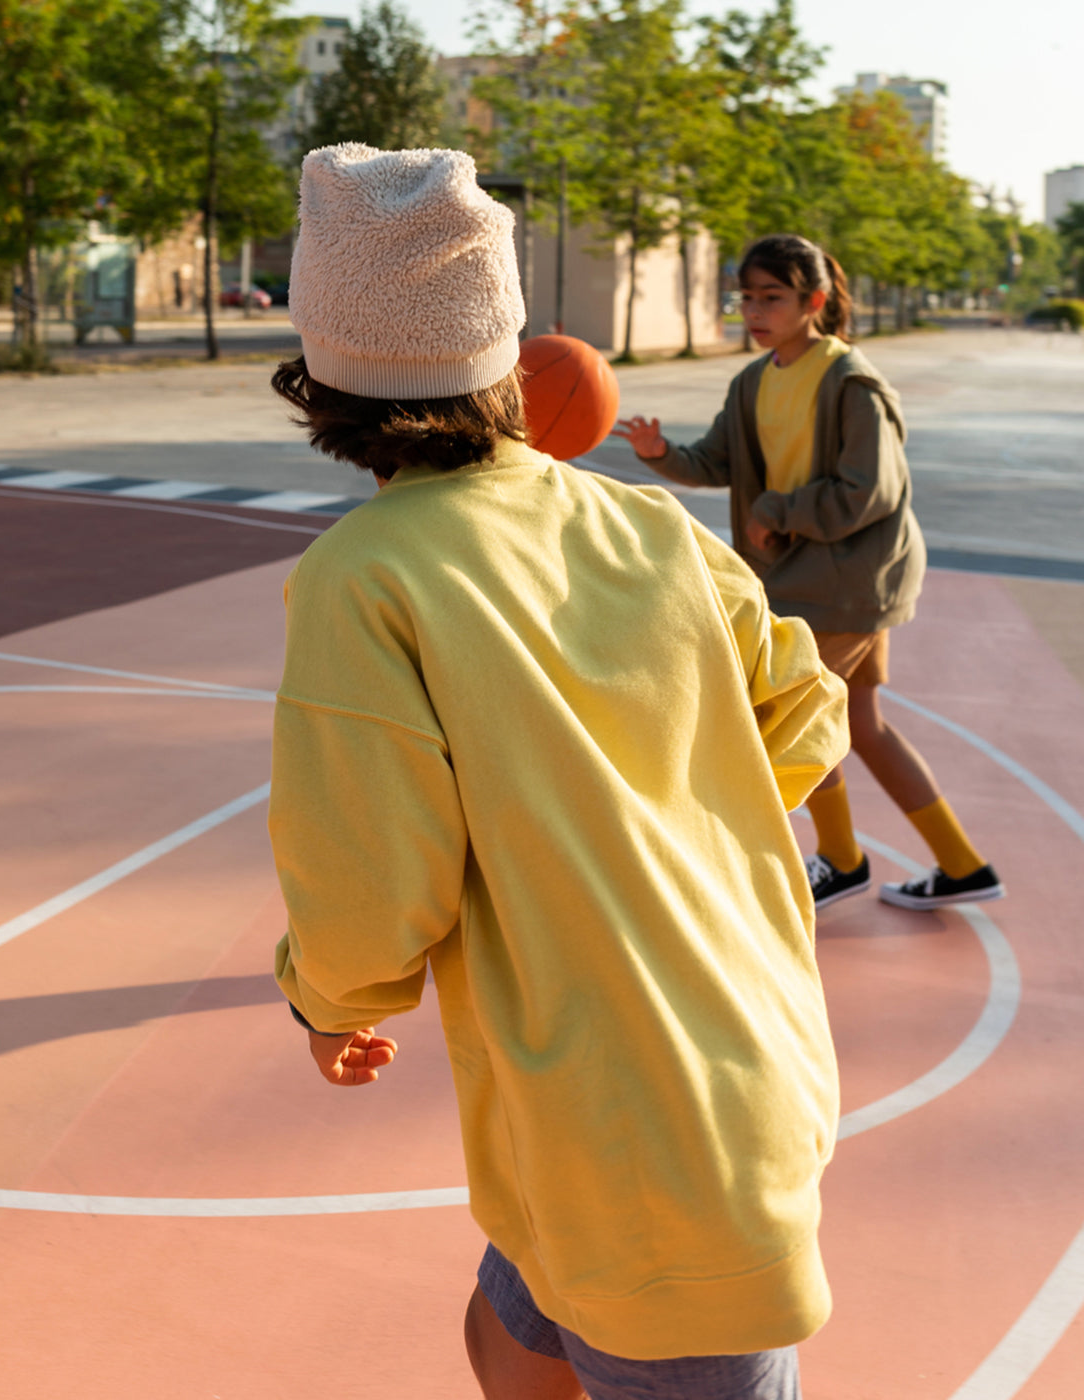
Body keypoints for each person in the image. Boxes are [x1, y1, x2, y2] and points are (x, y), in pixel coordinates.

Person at [269, 144, 850, 1400]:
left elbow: (371, 880)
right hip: (712, 1062)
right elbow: (806, 703)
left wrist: (333, 998)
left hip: (625, 1134)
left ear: (321, 373)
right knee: (508, 1341)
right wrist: (679, 822)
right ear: (505, 347)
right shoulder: (645, 525)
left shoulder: (367, 574)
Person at [614, 233, 1004, 914]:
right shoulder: (754, 381)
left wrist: (781, 509)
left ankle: (842, 859)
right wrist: (659, 453)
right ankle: (961, 865)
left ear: (814, 301)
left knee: (787, 716)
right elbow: (715, 462)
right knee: (862, 718)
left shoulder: (851, 383)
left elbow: (870, 492)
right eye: (747, 298)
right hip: (819, 573)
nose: (755, 311)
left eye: (773, 297)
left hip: (851, 577)